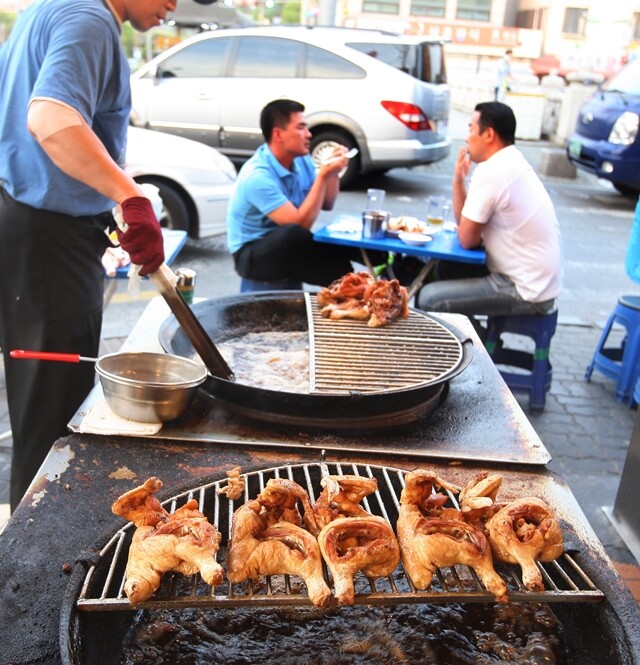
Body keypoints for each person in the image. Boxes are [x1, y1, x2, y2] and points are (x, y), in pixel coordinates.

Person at [0, 0, 212, 510]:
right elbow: (49, 118)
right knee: (53, 421)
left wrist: (111, 189)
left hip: (24, 222)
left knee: (36, 403)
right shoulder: (90, 19)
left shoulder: (45, 8)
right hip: (50, 242)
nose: (174, 6)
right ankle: (32, 567)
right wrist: (128, 196)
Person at [417, 101, 562, 321]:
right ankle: (470, 340)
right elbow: (466, 225)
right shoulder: (510, 161)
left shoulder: (494, 171)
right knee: (446, 268)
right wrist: (458, 181)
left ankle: (473, 348)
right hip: (537, 284)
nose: (467, 137)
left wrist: (466, 227)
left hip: (525, 290)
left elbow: (466, 239)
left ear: (489, 134)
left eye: (471, 129)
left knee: (430, 298)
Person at [227, 98, 381, 286]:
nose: (309, 134)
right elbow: (301, 224)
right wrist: (323, 175)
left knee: (345, 250)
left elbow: (327, 203)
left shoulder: (301, 160)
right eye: (301, 128)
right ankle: (349, 284)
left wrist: (332, 172)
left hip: (288, 246)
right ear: (278, 134)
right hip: (251, 254)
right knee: (296, 235)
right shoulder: (257, 176)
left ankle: (394, 267)